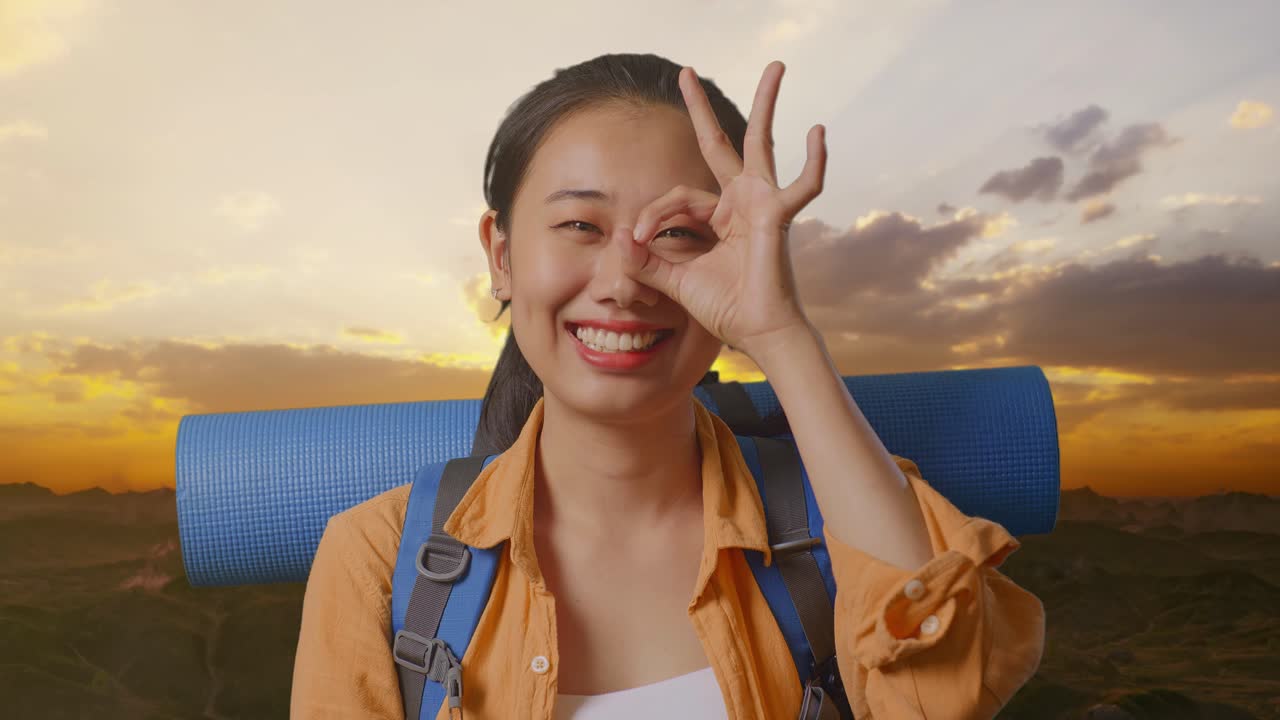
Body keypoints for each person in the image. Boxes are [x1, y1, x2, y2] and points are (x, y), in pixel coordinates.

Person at [289, 53, 1046, 720]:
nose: (624, 282)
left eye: (679, 233)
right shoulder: (379, 558)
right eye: (581, 226)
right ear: (502, 254)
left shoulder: (837, 519)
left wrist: (781, 336)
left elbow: (941, 700)